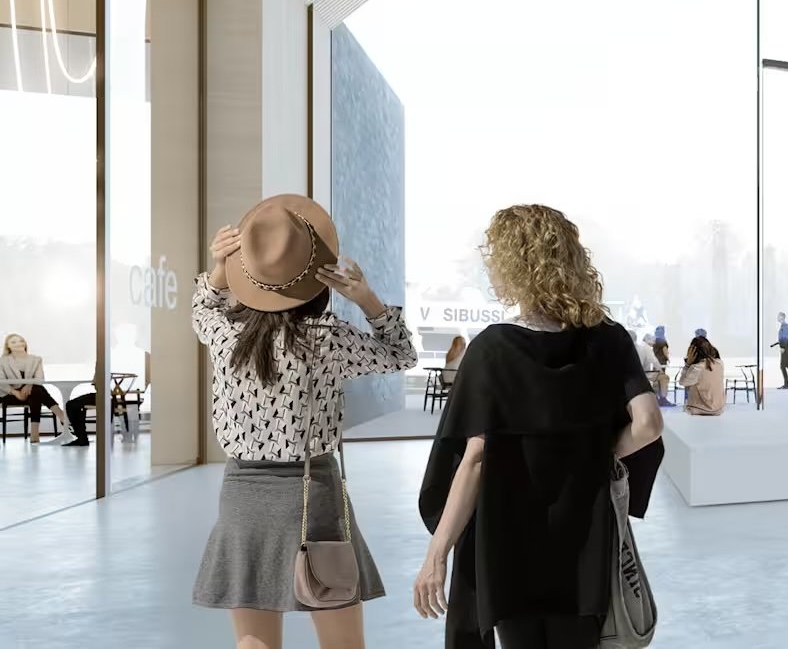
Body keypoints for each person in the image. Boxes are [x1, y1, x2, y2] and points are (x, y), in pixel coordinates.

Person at [417, 203, 667, 646]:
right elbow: (648, 425)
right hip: (584, 542)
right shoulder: (608, 338)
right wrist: (592, 452)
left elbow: (475, 460)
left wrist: (436, 555)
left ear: (514, 264)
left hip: (508, 544)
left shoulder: (492, 350)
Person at [189, 195, 417, 647]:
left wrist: (221, 265)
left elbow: (203, 306)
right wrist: (366, 298)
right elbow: (400, 353)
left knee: (254, 644)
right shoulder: (327, 339)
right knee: (342, 641)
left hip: (242, 495)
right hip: (314, 494)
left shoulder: (225, 335)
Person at [2, 333, 90, 445]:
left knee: (36, 391)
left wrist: (30, 384)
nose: (19, 343)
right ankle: (62, 416)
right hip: (10, 395)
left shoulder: (36, 359)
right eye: (14, 342)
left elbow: (40, 378)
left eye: (21, 340)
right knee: (38, 392)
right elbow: (0, 381)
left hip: (32, 393)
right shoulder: (3, 361)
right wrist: (15, 392)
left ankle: (35, 434)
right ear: (8, 346)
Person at [679, 333, 726, 417]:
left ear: (693, 352)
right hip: (719, 408)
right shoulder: (720, 363)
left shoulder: (697, 368)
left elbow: (682, 382)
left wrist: (687, 364)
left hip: (699, 409)